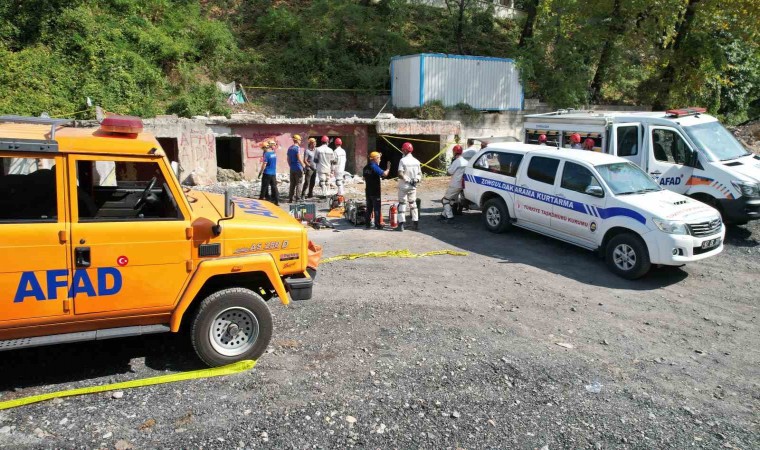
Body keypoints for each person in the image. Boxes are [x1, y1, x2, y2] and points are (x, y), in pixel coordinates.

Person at [395, 142, 422, 231]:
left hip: (404, 186)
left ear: (405, 150)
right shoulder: (416, 161)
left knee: (402, 204)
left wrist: (407, 180)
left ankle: (401, 225)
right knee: (413, 204)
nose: (402, 151)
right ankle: (415, 224)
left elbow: (400, 174)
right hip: (413, 186)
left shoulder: (402, 160)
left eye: (403, 150)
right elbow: (420, 175)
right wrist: (415, 180)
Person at [439, 145, 468, 223]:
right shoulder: (466, 162)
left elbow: (449, 172)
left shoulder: (456, 161)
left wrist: (450, 167)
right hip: (461, 185)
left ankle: (450, 217)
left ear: (454, 152)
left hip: (454, 184)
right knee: (451, 200)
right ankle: (443, 215)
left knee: (445, 200)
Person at [362, 151, 390, 230]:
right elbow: (384, 174)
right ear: (375, 159)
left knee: (369, 208)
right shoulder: (374, 167)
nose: (380, 160)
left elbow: (364, 178)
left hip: (368, 191)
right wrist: (388, 168)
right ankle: (377, 225)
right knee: (377, 208)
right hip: (375, 191)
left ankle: (367, 224)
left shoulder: (365, 167)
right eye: (379, 158)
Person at [258, 139, 279, 205]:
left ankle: (261, 199)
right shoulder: (273, 153)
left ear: (264, 148)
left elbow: (264, 164)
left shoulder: (266, 154)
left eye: (262, 148)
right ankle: (276, 201)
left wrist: (260, 172)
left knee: (264, 187)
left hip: (267, 173)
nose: (262, 150)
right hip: (273, 173)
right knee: (274, 187)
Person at [287, 134, 305, 203]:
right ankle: (298, 198)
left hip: (292, 168)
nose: (300, 141)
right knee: (299, 183)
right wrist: (303, 166)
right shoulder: (297, 148)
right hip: (298, 168)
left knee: (292, 184)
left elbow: (288, 159)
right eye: (300, 140)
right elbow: (299, 158)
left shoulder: (290, 148)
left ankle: (290, 198)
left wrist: (291, 166)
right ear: (297, 140)